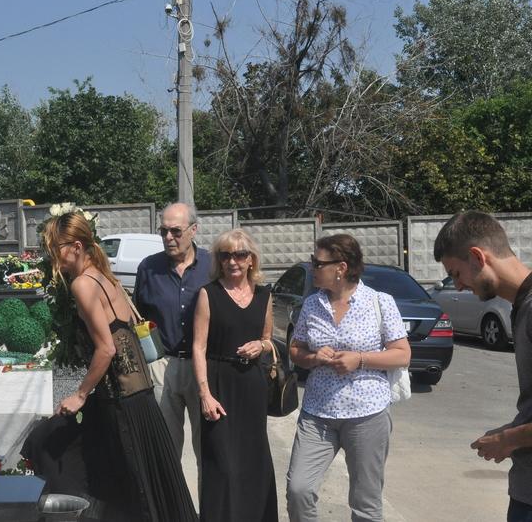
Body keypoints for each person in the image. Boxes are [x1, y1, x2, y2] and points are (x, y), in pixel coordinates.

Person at [22, 211, 197, 522]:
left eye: (54, 248)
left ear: (76, 246)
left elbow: (106, 348)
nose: (51, 256)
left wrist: (80, 394)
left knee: (50, 447)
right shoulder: (108, 278)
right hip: (139, 399)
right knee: (142, 487)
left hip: (119, 403)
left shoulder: (83, 285)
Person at [286, 233, 411, 522]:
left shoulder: (379, 302)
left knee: (365, 503)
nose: (312, 267)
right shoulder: (312, 304)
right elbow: (295, 349)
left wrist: (360, 359)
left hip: (367, 415)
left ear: (341, 268)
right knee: (298, 489)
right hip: (317, 413)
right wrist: (313, 358)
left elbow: (402, 354)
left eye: (318, 263)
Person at [434, 211, 532, 522]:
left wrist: (509, 440)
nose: (458, 286)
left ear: (478, 257)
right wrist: (512, 431)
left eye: (456, 273)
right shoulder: (522, 306)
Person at [192, 228, 279, 521]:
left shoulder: (264, 295)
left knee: (253, 463)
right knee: (223, 466)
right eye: (225, 255)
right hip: (219, 384)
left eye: (240, 255)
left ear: (251, 259)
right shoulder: (209, 294)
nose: (233, 261)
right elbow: (199, 347)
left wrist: (261, 346)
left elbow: (268, 339)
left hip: (252, 386)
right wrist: (204, 394)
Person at [133, 202, 211, 474]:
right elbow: (137, 318)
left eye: (176, 231)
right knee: (164, 450)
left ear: (193, 230)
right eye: (163, 231)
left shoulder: (213, 266)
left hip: (203, 366)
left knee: (207, 449)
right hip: (162, 365)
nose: (168, 237)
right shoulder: (148, 268)